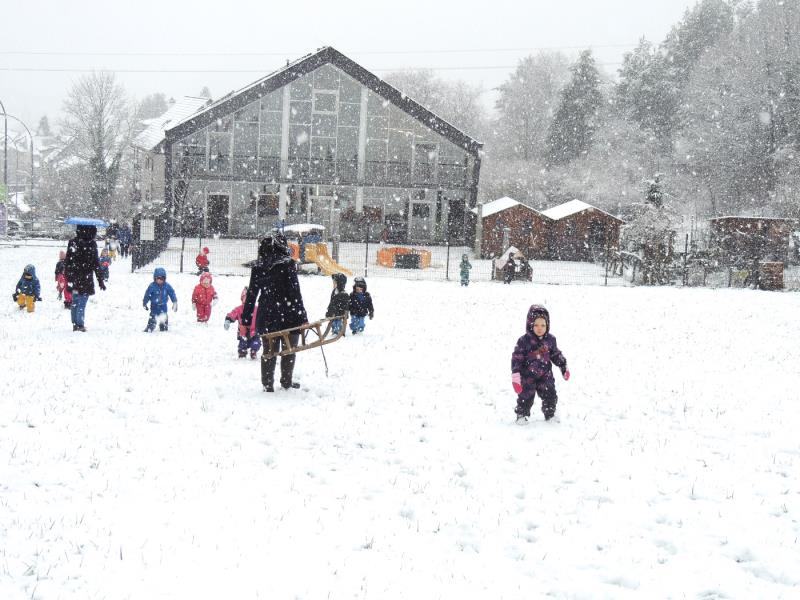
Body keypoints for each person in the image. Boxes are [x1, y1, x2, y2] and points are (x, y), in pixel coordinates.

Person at [241, 232, 308, 392]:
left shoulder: (258, 267)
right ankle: (286, 382)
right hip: (289, 314)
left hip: (267, 315)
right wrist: (303, 317)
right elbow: (295, 293)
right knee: (289, 350)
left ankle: (267, 384)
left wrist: (246, 318)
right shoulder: (288, 264)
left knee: (269, 351)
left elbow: (252, 294)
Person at [511, 305, 570, 425]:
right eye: (536, 325)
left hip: (545, 375)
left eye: (543, 325)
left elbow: (555, 354)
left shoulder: (550, 340)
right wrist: (516, 375)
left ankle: (550, 414)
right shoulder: (523, 341)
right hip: (528, 376)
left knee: (550, 395)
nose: (539, 328)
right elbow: (517, 358)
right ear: (530, 325)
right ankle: (521, 415)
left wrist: (563, 366)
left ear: (547, 325)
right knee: (526, 396)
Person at [64, 224, 106, 332]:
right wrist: (100, 280)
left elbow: (68, 262)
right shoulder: (91, 244)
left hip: (74, 277)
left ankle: (75, 323)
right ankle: (80, 325)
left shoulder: (73, 242)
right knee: (82, 303)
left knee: (75, 302)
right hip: (86, 278)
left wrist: (68, 277)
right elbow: (96, 264)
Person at [224, 287, 261, 359]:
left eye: (250, 298)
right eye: (245, 298)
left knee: (256, 343)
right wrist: (228, 320)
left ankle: (253, 351)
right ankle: (242, 352)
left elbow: (262, 316)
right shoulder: (239, 309)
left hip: (254, 331)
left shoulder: (256, 309)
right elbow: (232, 314)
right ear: (242, 299)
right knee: (243, 344)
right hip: (243, 332)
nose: (247, 300)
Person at [143, 267, 178, 332]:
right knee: (153, 316)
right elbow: (147, 295)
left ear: (164, 279)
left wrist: (174, 302)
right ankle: (150, 327)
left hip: (163, 305)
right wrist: (145, 303)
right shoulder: (152, 286)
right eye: (158, 278)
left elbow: (172, 293)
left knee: (164, 317)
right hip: (154, 305)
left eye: (162, 278)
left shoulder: (167, 286)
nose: (160, 280)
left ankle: (163, 326)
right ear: (155, 278)